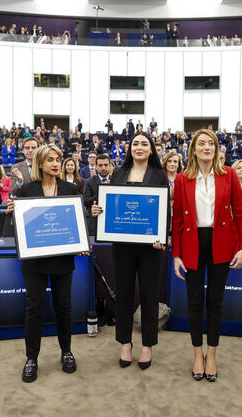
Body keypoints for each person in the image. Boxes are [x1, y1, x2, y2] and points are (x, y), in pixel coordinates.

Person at [172, 129, 242, 382]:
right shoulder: (183, 179)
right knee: (194, 303)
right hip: (192, 243)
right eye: (201, 143)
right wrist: (176, 254)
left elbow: (239, 213)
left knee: (215, 302)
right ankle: (197, 354)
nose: (207, 147)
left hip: (222, 243)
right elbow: (177, 219)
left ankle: (212, 355)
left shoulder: (229, 176)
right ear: (193, 149)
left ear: (216, 149)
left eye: (211, 144)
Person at [90, 133, 168, 370]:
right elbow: (112, 205)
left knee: (149, 295)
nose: (140, 147)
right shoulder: (119, 174)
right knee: (123, 293)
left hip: (150, 248)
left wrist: (161, 237)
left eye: (145, 143)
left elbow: (164, 211)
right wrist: (98, 210)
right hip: (122, 245)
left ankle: (147, 345)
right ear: (130, 148)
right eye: (135, 143)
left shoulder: (159, 175)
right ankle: (125, 343)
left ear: (151, 149)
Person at [4, 144, 79, 383]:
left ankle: (66, 352)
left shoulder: (70, 188)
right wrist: (13, 213)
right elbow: (19, 228)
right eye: (50, 160)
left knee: (63, 307)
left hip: (62, 259)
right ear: (40, 163)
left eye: (58, 159)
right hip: (35, 261)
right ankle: (31, 359)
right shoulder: (25, 191)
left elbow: (76, 223)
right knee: (34, 308)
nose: (56, 163)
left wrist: (79, 244)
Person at [82, 154, 113, 236]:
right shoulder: (89, 182)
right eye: (100, 165)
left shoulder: (116, 180)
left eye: (106, 165)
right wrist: (102, 191)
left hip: (112, 221)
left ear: (110, 166)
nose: (103, 168)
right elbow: (86, 202)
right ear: (96, 166)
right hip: (94, 222)